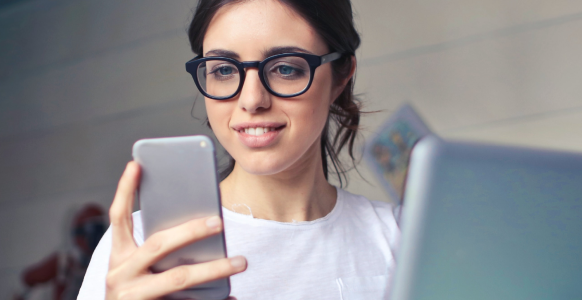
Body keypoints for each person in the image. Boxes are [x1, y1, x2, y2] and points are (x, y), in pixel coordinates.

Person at [77, 0, 399, 298]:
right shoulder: (141, 248)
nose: (251, 101)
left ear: (340, 77)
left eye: (285, 68)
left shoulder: (403, 238)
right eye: (224, 70)